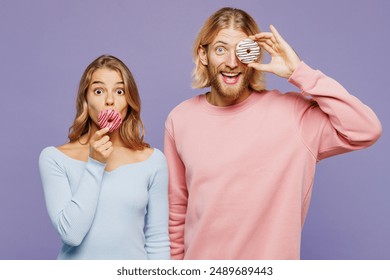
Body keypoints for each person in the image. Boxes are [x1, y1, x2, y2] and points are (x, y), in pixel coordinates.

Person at [164, 7, 382, 260]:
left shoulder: (294, 116)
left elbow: (366, 129)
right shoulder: (180, 120)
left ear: (256, 55)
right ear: (203, 54)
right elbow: (177, 210)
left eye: (244, 50)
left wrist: (299, 72)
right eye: (221, 49)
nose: (232, 63)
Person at [39, 55, 170, 260]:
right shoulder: (54, 158)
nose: (110, 100)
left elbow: (158, 240)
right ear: (85, 99)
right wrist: (95, 164)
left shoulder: (153, 161)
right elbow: (71, 235)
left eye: (119, 91)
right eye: (98, 91)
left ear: (129, 100)